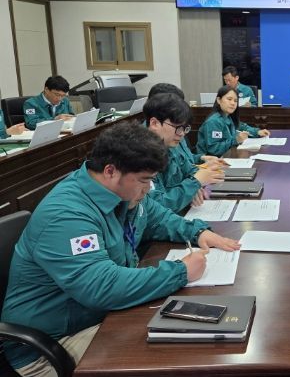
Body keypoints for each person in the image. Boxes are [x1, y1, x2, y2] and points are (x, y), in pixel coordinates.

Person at [1, 121, 240, 376]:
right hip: (50, 346)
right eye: (144, 181)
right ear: (111, 171)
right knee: (178, 355)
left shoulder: (123, 191)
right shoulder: (66, 215)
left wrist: (197, 232)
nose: (148, 189)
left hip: (100, 317)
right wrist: (180, 272)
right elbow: (101, 286)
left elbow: (157, 217)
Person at [144, 93, 224, 212]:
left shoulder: (169, 144)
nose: (181, 134)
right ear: (154, 123)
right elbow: (156, 206)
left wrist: (195, 186)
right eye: (177, 127)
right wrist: (195, 182)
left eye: (185, 128)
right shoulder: (140, 155)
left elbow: (188, 169)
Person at [147, 83, 222, 168]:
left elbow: (186, 160)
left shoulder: (176, 130)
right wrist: (199, 174)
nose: (182, 133)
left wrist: (202, 158)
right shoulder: (148, 146)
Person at [196, 85, 270, 156]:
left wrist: (257, 132)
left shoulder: (228, 117)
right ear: (219, 100)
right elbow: (214, 149)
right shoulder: (214, 121)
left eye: (235, 101)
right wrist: (236, 140)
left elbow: (242, 127)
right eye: (229, 99)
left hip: (227, 156)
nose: (233, 103)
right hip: (211, 161)